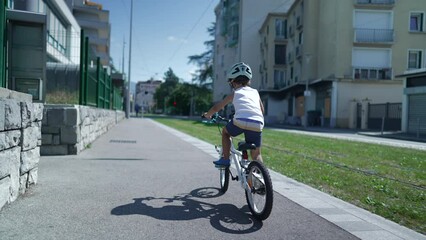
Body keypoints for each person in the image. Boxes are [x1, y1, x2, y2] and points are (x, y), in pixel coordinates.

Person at [203, 62, 264, 167]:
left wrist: (207, 114)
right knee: (256, 153)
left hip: (240, 121)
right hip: (257, 122)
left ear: (233, 82)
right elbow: (262, 110)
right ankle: (262, 179)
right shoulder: (255, 92)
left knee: (225, 133)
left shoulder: (235, 93)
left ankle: (225, 160)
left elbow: (217, 107)